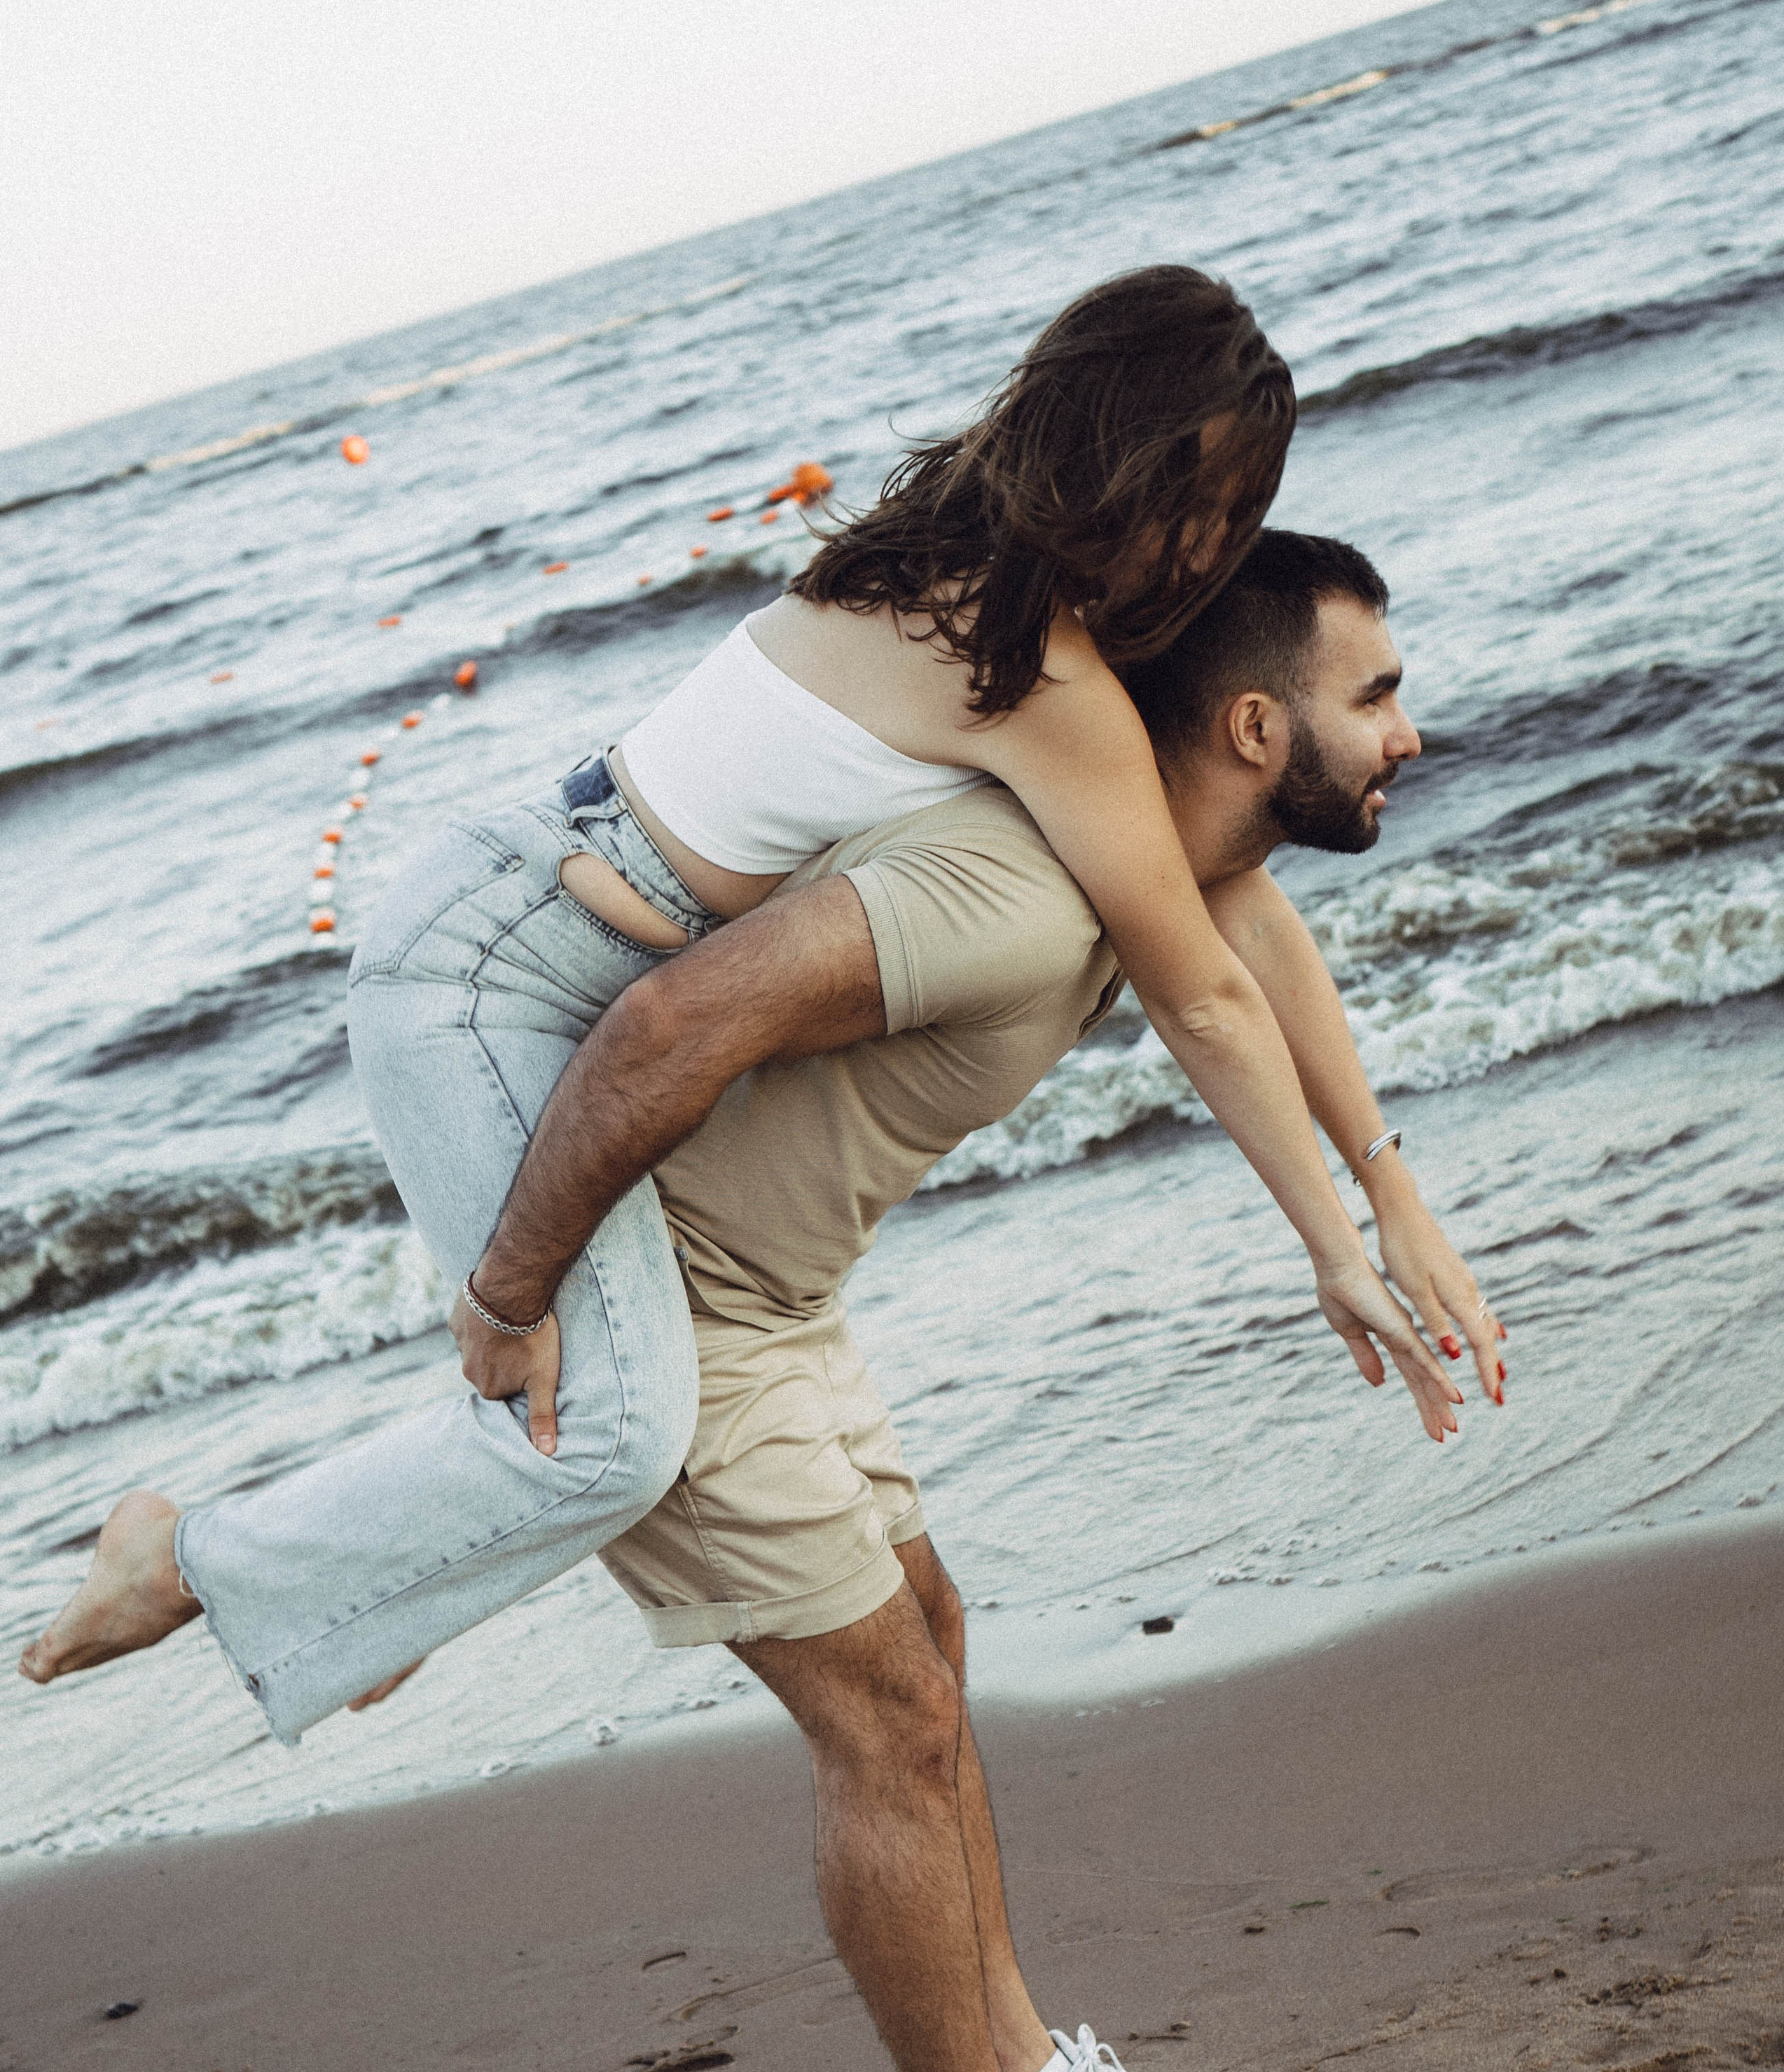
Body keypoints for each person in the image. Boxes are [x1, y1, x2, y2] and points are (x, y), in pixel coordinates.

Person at [22, 533, 1505, 2072]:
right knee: (881, 1716)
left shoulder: (1153, 885)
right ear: (1258, 728)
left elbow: (1255, 962)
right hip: (686, 1313)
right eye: (1378, 696)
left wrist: (1378, 1210)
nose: (1407, 730)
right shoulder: (1002, 888)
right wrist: (508, 1302)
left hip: (782, 1304)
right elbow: (666, 1027)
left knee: (928, 1650)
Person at [22, 265, 1456, 1732]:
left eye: (1235, 509)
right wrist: (1337, 1244)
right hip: (488, 977)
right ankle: (198, 1558)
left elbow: (1230, 908)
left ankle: (360, 1585)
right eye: (1202, 499)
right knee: (607, 1431)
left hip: (556, 948)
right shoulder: (1031, 668)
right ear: (1118, 456)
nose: (1211, 548)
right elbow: (1203, 997)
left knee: (601, 1410)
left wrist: (1381, 1192)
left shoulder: (947, 573)